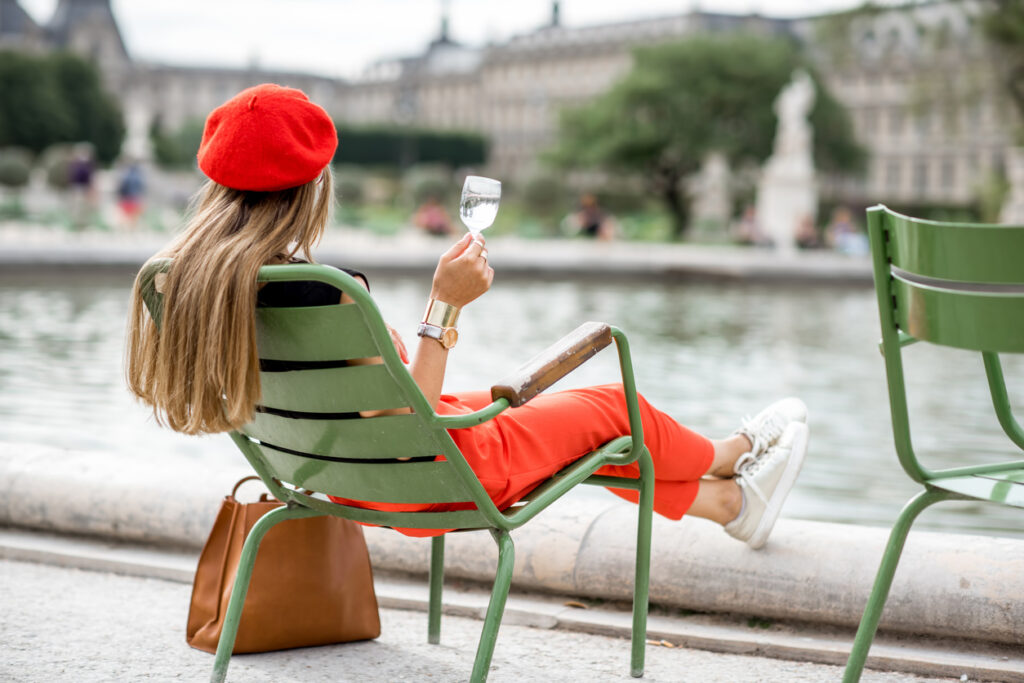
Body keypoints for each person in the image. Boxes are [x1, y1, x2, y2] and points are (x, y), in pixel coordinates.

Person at [125, 84, 810, 549]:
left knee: (546, 419)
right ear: (313, 185)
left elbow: (389, 415)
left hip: (336, 476)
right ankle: (733, 455)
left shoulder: (184, 286)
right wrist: (445, 302)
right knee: (610, 407)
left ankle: (730, 506)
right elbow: (412, 428)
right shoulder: (326, 290)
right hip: (429, 477)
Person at [117, 160, 146, 231]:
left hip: (127, 199)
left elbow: (122, 188)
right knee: (134, 217)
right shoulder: (139, 177)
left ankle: (127, 230)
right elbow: (141, 188)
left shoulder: (126, 176)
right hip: (135, 199)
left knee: (127, 217)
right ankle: (133, 230)